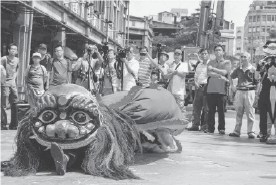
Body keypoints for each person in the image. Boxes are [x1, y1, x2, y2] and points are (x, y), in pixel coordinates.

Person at [228, 52, 257, 138]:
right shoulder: (238, 69)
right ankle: (237, 131)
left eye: (245, 57)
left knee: (250, 112)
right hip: (239, 91)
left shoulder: (253, 69)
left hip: (250, 91)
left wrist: (257, 93)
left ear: (249, 58)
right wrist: (232, 86)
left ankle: (251, 131)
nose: (243, 58)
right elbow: (230, 76)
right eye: (241, 57)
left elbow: (258, 81)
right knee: (238, 112)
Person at [204, 45, 231, 134]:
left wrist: (214, 69)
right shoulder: (210, 62)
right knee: (210, 111)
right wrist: (219, 75)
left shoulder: (227, 62)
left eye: (219, 50)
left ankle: (221, 128)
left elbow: (225, 72)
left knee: (221, 111)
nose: (217, 51)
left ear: (223, 52)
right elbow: (209, 73)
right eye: (216, 50)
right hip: (211, 89)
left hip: (221, 91)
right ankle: (210, 128)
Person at [188, 48, 210, 131]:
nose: (204, 55)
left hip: (207, 87)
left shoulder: (210, 64)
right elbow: (196, 76)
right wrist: (196, 83)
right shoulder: (199, 65)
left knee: (206, 108)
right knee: (196, 106)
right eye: (202, 54)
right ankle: (195, 124)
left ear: (208, 55)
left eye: (205, 53)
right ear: (200, 55)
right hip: (198, 87)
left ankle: (205, 125)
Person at [0, 43, 19, 111]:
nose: (13, 50)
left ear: (16, 51)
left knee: (15, 101)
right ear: (8, 50)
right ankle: (4, 121)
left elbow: (17, 69)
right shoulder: (4, 59)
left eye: (15, 49)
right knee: (4, 103)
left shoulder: (17, 59)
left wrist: (14, 77)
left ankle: (14, 121)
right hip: (5, 83)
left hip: (13, 83)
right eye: (12, 49)